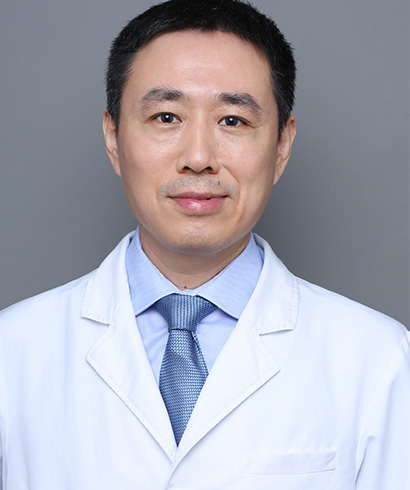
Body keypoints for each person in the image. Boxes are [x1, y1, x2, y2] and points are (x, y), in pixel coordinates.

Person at [0, 0, 409, 488]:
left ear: (282, 146)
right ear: (113, 137)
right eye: (165, 117)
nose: (198, 157)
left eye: (233, 120)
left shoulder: (379, 360)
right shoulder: (14, 352)